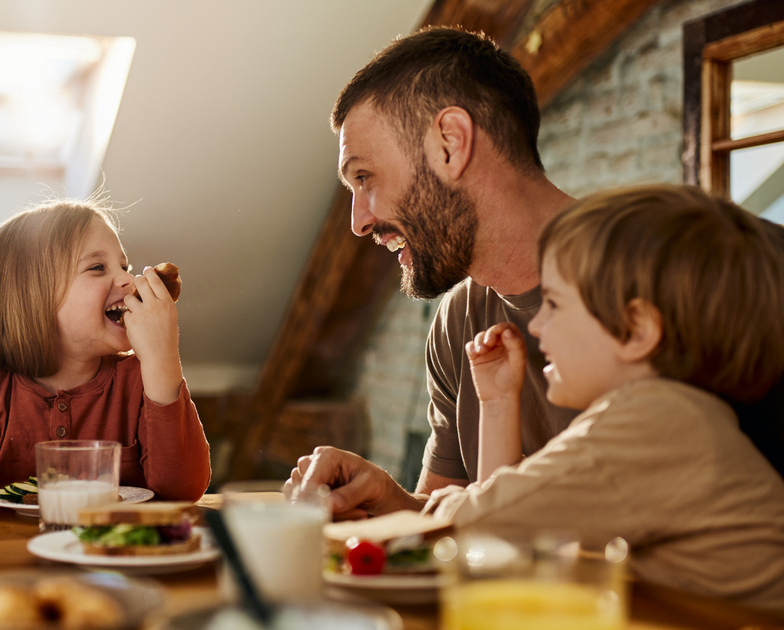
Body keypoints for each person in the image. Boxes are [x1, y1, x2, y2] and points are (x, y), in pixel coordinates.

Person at [432, 185, 784, 612]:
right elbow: (509, 543)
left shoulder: (657, 424)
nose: (537, 325)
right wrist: (498, 403)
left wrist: (441, 508)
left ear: (636, 329)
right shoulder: (674, 415)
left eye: (555, 304)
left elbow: (483, 526)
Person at [285, 26, 577, 518]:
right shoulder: (460, 320)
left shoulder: (656, 276)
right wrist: (389, 500)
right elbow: (457, 520)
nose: (358, 222)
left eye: (364, 177)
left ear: (450, 143)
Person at [0, 198, 210, 506]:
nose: (129, 281)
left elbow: (182, 492)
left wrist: (162, 360)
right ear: (32, 299)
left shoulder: (143, 383)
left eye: (124, 266)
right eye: (97, 268)